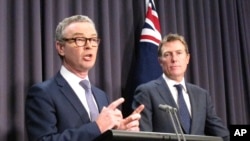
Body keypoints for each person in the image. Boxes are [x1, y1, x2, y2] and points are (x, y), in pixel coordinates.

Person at [25, 15, 144, 141]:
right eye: (80, 39)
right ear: (61, 48)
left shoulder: (101, 95)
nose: (89, 45)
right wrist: (97, 127)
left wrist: (118, 133)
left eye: (93, 39)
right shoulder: (43, 93)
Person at [132, 33, 229, 141]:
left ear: (187, 58)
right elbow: (144, 137)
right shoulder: (147, 92)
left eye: (179, 53)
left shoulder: (202, 95)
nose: (174, 59)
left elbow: (222, 134)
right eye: (168, 54)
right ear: (160, 61)